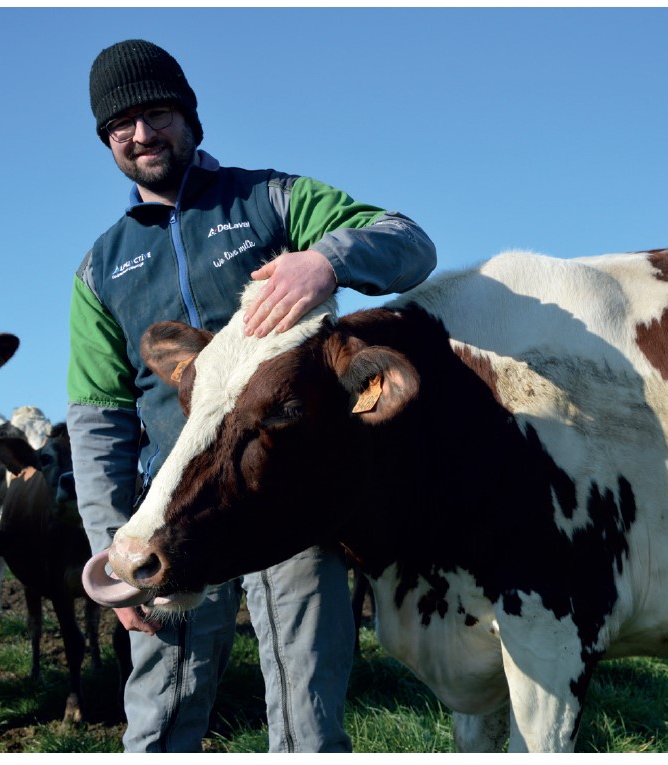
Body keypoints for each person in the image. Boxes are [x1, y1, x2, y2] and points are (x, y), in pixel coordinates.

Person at [67, 39, 437, 753]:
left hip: (289, 513)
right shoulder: (100, 268)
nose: (141, 134)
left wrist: (325, 260)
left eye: (157, 113)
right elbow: (97, 423)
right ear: (107, 141)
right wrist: (110, 552)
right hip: (175, 512)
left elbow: (409, 241)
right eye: (121, 126)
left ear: (190, 118)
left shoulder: (271, 200)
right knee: (161, 712)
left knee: (307, 714)